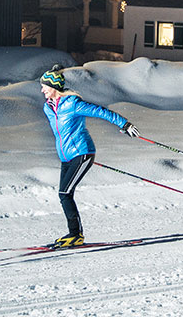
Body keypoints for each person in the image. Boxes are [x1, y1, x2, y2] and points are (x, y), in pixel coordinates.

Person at [38, 64, 140, 248]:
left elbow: (100, 111)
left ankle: (76, 235)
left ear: (53, 87)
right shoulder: (49, 108)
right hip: (66, 157)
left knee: (65, 193)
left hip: (81, 153)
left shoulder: (73, 104)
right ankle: (74, 234)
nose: (42, 90)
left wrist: (124, 124)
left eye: (45, 86)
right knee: (64, 195)